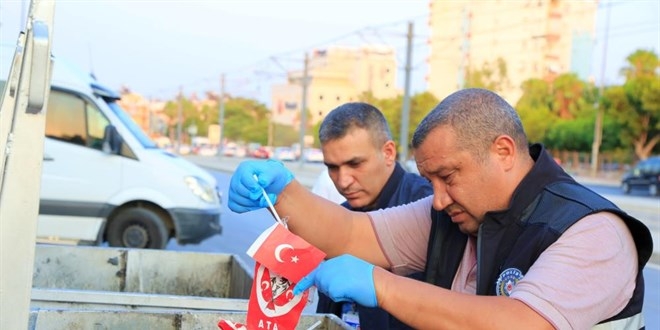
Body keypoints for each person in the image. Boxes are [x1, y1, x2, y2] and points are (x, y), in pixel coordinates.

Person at [229, 88, 653, 329]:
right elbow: (351, 235)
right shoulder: (454, 215)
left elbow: (521, 323)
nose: (437, 198)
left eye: (449, 176)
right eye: (430, 180)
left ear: (503, 151)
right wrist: (283, 191)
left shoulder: (591, 231)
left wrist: (381, 285)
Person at [312, 102, 433, 329]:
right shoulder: (341, 214)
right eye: (333, 167)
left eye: (354, 164)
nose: (343, 180)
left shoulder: (431, 208)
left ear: (388, 152)